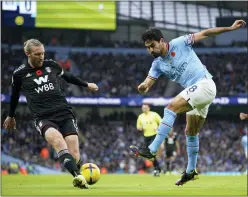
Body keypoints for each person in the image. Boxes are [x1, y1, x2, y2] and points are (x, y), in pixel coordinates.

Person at [130, 19, 246, 186]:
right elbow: (147, 84)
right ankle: (191, 171)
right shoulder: (156, 64)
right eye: (147, 47)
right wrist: (143, 87)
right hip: (197, 93)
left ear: (162, 41)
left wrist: (230, 28)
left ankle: (152, 149)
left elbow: (205, 33)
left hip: (204, 84)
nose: (150, 50)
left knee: (171, 108)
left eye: (152, 45)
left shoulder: (180, 42)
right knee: (190, 132)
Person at [3, 39, 99, 189]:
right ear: (27, 53)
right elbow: (14, 96)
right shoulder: (19, 74)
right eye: (37, 54)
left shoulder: (52, 65)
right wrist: (11, 115)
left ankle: (77, 171)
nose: (41, 57)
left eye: (42, 53)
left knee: (75, 153)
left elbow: (68, 77)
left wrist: (86, 85)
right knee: (58, 141)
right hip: (43, 117)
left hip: (64, 113)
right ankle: (77, 177)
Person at [136, 104, 162, 176]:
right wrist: (140, 128)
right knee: (149, 155)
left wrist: (158, 128)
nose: (144, 109)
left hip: (154, 135)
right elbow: (138, 127)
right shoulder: (140, 117)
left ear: (149, 108)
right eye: (143, 108)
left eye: (146, 108)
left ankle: (156, 169)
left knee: (151, 151)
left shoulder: (154, 115)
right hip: (146, 136)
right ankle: (157, 168)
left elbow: (161, 122)